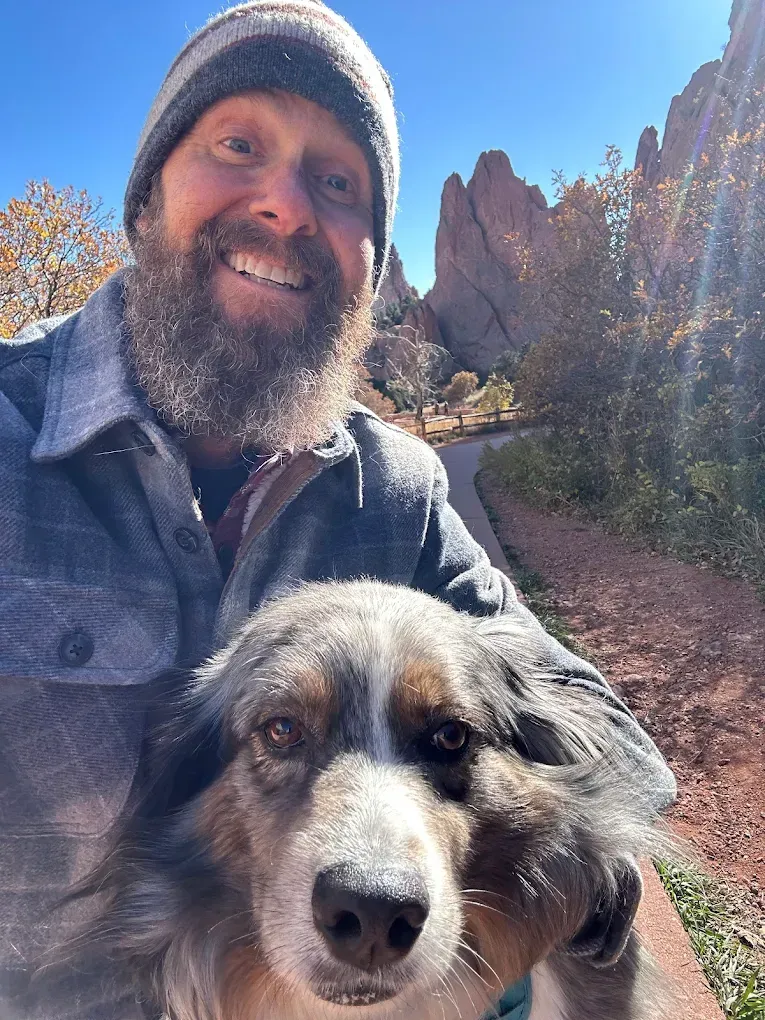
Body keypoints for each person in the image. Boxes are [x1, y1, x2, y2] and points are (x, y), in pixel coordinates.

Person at [0, 2, 676, 1016]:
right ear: (146, 197)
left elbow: (612, 744)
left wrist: (577, 844)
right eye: (239, 144)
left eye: (338, 181)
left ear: (368, 259)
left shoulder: (394, 487)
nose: (285, 203)